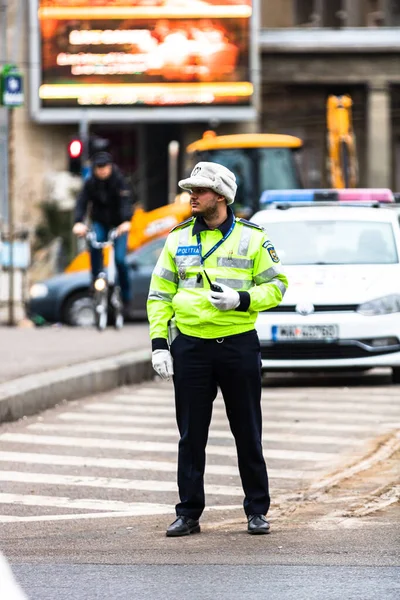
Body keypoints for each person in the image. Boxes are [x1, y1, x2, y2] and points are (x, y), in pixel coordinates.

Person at [147, 161, 288, 537]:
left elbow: (277, 287)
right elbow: (159, 295)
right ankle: (189, 513)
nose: (192, 195)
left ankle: (257, 511)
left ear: (222, 197)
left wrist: (241, 299)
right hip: (190, 347)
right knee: (191, 435)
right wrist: (160, 344)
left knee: (248, 431)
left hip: (237, 345)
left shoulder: (253, 238)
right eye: (191, 189)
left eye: (200, 190)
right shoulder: (177, 238)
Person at [72, 151, 133, 304]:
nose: (102, 170)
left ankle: (125, 295)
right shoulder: (90, 183)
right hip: (100, 222)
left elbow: (126, 202)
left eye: (105, 167)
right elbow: (81, 202)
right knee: (95, 244)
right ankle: (95, 281)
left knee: (120, 260)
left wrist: (126, 221)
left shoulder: (120, 181)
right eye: (99, 168)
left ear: (110, 166)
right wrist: (78, 222)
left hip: (119, 225)